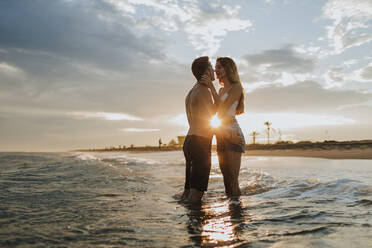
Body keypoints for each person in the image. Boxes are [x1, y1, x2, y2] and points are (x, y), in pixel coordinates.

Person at [202, 57, 245, 197]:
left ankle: (238, 213)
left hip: (233, 132)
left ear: (228, 69)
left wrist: (211, 88)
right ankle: (231, 212)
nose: (216, 70)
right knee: (226, 179)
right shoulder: (220, 91)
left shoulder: (236, 87)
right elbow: (215, 112)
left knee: (233, 180)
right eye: (215, 67)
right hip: (221, 134)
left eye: (219, 67)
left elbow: (223, 108)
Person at [183, 56, 216, 203]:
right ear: (207, 71)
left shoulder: (191, 92)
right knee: (196, 194)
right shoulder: (204, 90)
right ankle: (194, 224)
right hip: (200, 143)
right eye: (212, 67)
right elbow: (214, 114)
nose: (214, 70)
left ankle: (187, 221)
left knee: (188, 191)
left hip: (189, 140)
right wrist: (213, 90)